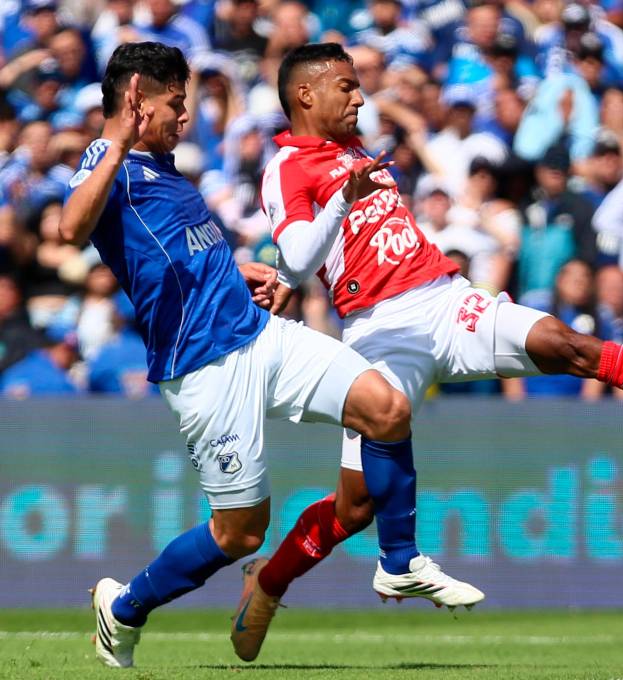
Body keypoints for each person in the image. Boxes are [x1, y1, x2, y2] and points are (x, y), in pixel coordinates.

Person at [233, 42, 623, 663]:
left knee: (570, 344)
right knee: (356, 505)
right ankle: (268, 582)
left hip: (447, 301)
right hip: (379, 330)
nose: (360, 96)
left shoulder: (354, 150)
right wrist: (317, 235)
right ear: (306, 94)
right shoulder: (286, 167)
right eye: (346, 86)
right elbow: (295, 257)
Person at [59, 41, 428, 669]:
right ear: (135, 100)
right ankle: (123, 608)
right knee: (239, 535)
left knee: (385, 407)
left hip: (258, 333)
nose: (184, 116)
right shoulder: (109, 158)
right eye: (175, 103)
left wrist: (232, 269)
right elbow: (70, 227)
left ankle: (401, 562)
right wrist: (118, 140)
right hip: (204, 366)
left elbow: (169, 255)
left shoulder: (164, 169)